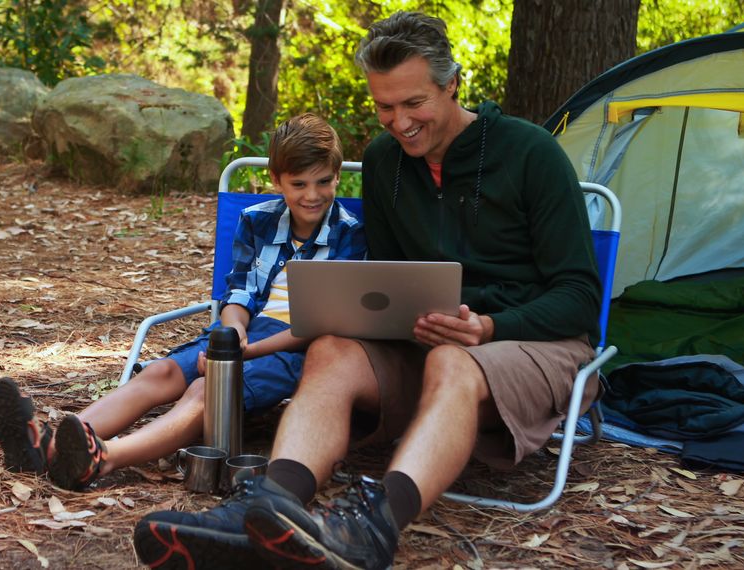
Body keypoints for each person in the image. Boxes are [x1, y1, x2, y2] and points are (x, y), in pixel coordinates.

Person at [132, 11, 602, 570]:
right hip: (423, 338)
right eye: (385, 107)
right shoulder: (384, 164)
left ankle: (375, 528)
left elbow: (579, 296)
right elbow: (385, 278)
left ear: (452, 84)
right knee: (331, 350)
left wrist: (490, 326)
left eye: (414, 103)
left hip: (533, 341)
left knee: (454, 361)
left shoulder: (531, 154)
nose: (399, 123)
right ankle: (271, 508)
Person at [0, 112, 367, 496]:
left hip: (297, 347)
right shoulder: (258, 221)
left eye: (323, 181)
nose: (312, 194)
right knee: (162, 372)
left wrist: (242, 353)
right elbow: (238, 294)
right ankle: (47, 447)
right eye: (298, 184)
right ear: (277, 181)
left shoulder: (351, 234)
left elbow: (325, 324)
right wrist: (232, 334)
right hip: (245, 331)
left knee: (207, 390)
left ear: (338, 176)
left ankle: (103, 458)